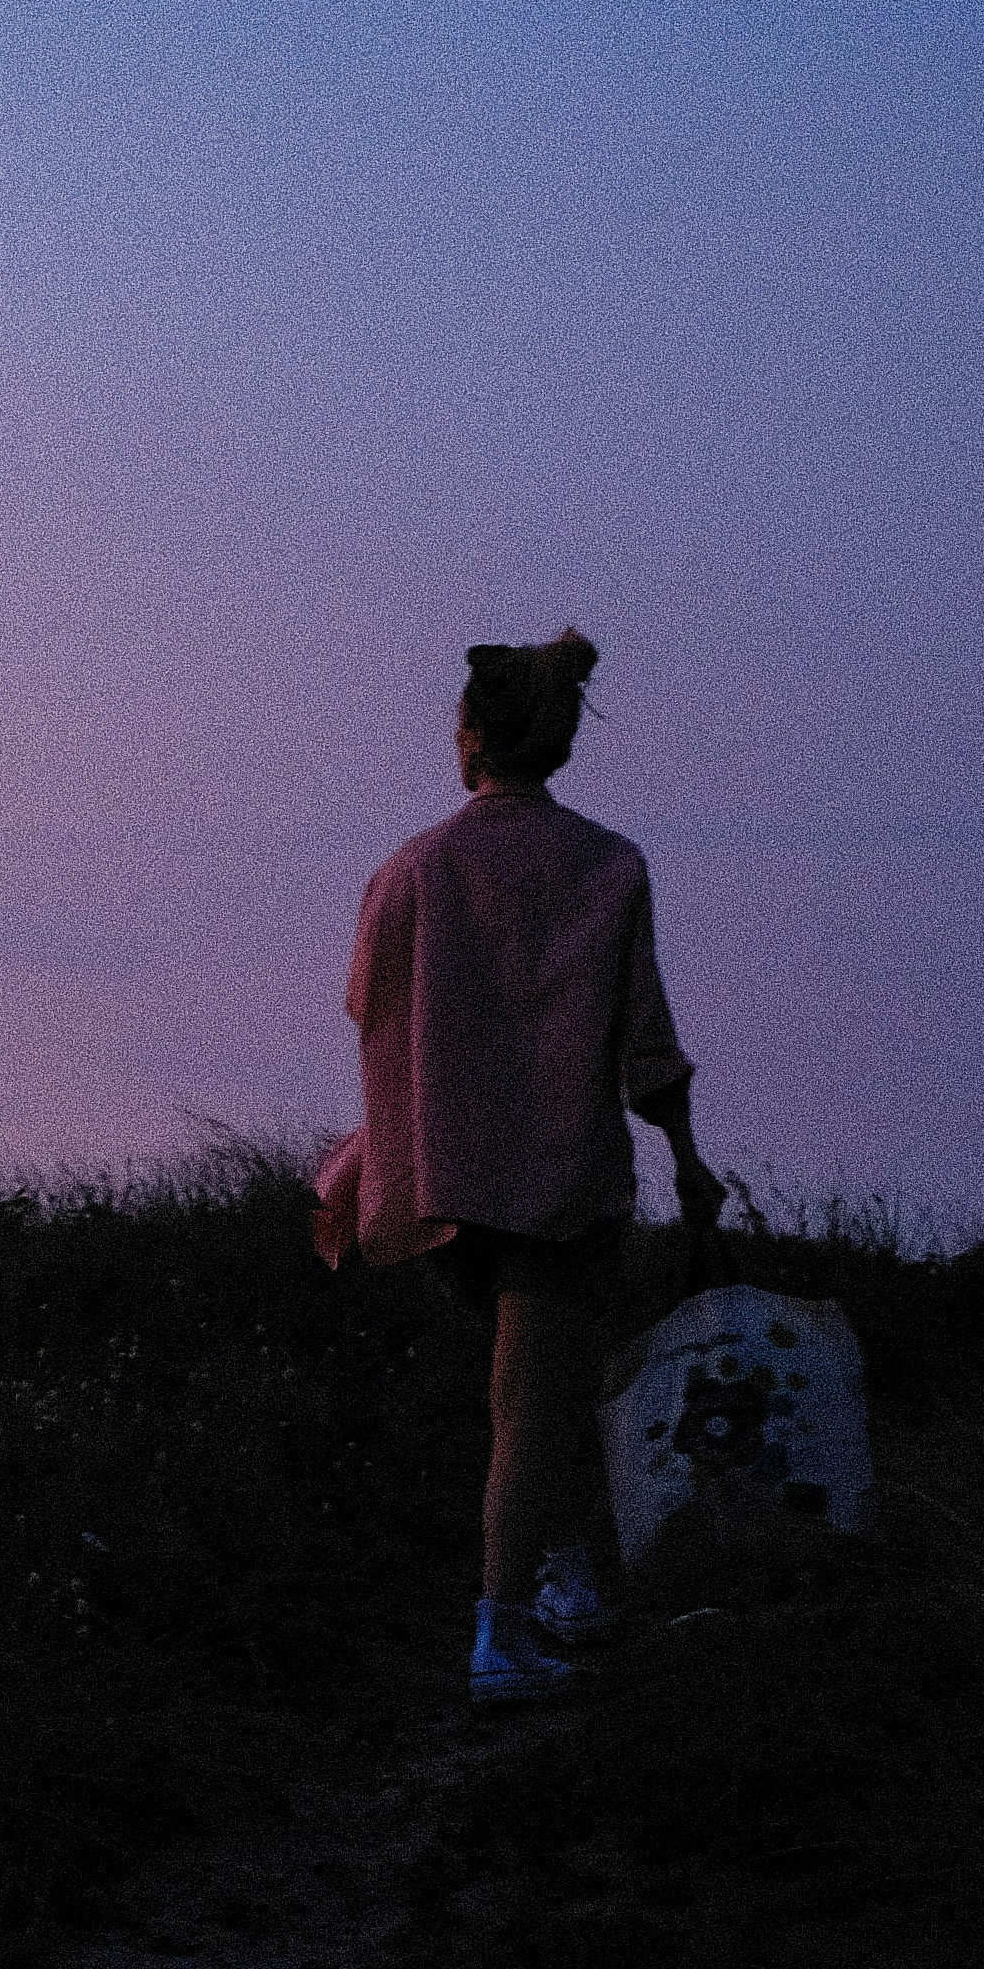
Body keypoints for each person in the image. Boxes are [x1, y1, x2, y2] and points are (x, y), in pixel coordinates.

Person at [310, 628, 721, 1702]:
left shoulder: (407, 871)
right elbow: (646, 1046)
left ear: (470, 741)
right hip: (555, 1182)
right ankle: (501, 1631)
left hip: (440, 1182)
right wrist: (687, 1162)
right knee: (535, 1405)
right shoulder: (611, 866)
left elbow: (372, 1018)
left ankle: (568, 1575)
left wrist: (371, 1158)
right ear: (559, 744)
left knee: (533, 1392)